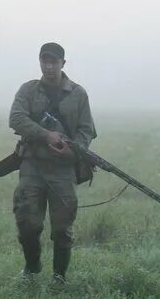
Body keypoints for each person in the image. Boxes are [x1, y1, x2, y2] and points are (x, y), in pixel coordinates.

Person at [8, 42, 95, 283]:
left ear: (63, 63)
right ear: (39, 62)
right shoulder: (28, 90)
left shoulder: (78, 94)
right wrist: (47, 135)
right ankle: (32, 268)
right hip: (32, 166)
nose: (48, 66)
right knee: (27, 223)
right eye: (44, 61)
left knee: (62, 229)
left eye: (53, 61)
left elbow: (87, 130)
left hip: (63, 171)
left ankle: (59, 277)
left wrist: (73, 152)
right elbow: (16, 118)